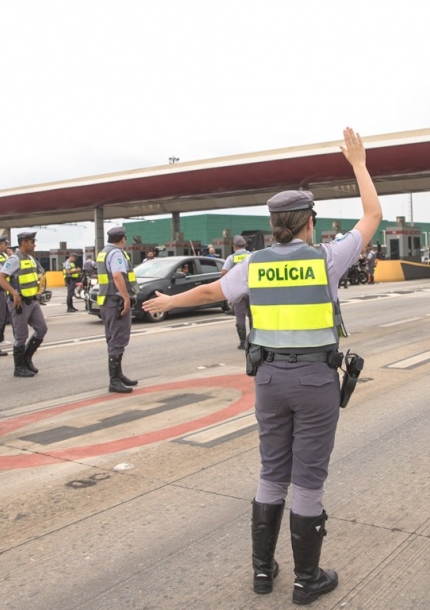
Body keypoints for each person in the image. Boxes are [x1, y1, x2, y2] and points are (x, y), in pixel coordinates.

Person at [143, 127, 381, 605]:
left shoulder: (254, 264)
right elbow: (373, 214)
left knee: (272, 473)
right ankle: (306, 581)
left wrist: (169, 302)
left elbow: (211, 292)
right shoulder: (326, 259)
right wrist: (357, 162)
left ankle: (261, 573)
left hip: (269, 380)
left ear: (275, 224)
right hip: (314, 380)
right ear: (308, 222)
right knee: (308, 479)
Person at [0, 232, 47, 378]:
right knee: (21, 336)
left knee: (42, 329)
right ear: (24, 242)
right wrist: (14, 293)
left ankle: (27, 358)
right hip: (20, 303)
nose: (34, 244)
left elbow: (38, 275)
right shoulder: (14, 259)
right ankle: (18, 367)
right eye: (32, 241)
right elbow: (1, 278)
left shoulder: (30, 258)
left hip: (32, 301)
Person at [97, 226, 139, 393]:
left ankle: (118, 375)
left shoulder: (103, 252)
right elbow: (117, 275)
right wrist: (126, 297)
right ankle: (114, 380)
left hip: (107, 301)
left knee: (112, 337)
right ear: (122, 238)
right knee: (118, 338)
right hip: (116, 301)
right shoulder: (116, 253)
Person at [221, 234, 251, 349]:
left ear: (234, 247)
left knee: (240, 317)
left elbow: (223, 272)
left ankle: (243, 343)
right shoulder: (252, 256)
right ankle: (254, 341)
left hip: (238, 292)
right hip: (251, 291)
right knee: (253, 317)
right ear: (245, 245)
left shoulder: (231, 258)